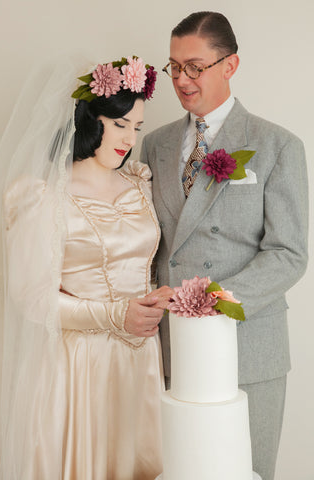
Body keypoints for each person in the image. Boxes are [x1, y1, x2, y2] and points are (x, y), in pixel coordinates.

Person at [140, 11, 308, 480]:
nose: (181, 79)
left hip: (248, 347)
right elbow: (148, 242)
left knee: (246, 471)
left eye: (195, 66)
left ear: (230, 65)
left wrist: (210, 301)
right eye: (174, 66)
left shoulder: (278, 145)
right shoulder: (154, 144)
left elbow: (288, 253)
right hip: (171, 346)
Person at [0, 55, 172, 480]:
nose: (129, 138)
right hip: (79, 364)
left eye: (137, 127)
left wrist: (155, 295)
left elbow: (141, 264)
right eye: (120, 124)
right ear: (92, 120)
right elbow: (32, 300)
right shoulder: (42, 195)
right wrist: (114, 315)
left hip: (140, 359)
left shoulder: (140, 182)